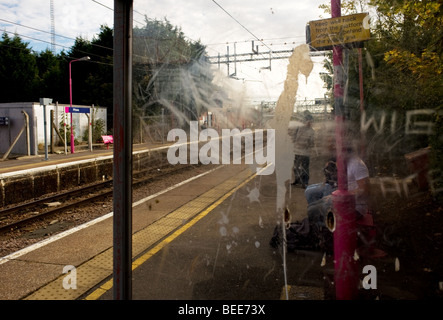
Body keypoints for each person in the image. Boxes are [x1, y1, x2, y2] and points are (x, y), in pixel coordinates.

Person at [289, 111, 315, 188]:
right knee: (296, 167)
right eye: (308, 121)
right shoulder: (298, 129)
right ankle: (297, 180)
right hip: (297, 151)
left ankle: (305, 182)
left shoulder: (311, 131)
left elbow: (312, 143)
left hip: (305, 152)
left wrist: (306, 144)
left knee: (305, 168)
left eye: (311, 121)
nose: (310, 123)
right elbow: (293, 138)